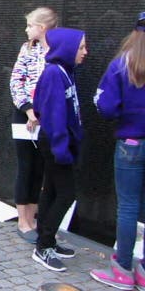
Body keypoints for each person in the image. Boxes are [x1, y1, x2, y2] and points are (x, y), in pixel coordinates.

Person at [90, 12, 145, 291]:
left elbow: (106, 106)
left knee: (128, 207)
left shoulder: (123, 64)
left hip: (131, 144)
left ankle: (123, 269)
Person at [31, 27, 87, 272]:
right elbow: (52, 114)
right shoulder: (55, 73)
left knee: (52, 191)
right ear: (68, 49)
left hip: (60, 142)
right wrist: (61, 147)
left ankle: (46, 240)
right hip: (56, 143)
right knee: (66, 194)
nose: (85, 52)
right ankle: (43, 246)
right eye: (81, 47)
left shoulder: (65, 71)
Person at [9, 7, 57, 244]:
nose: (26, 30)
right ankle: (22, 219)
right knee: (26, 165)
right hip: (24, 115)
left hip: (47, 117)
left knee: (40, 167)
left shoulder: (58, 51)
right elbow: (16, 80)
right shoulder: (27, 48)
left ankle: (34, 217)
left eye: (30, 25)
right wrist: (28, 110)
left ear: (42, 28)